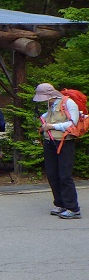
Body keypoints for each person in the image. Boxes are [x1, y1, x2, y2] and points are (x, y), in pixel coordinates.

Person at [35, 83, 81, 219]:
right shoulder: (51, 105)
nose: (43, 100)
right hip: (50, 142)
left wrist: (52, 126)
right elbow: (46, 116)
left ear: (50, 95)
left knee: (65, 175)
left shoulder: (69, 103)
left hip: (64, 143)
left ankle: (73, 208)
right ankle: (61, 204)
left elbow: (73, 123)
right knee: (52, 174)